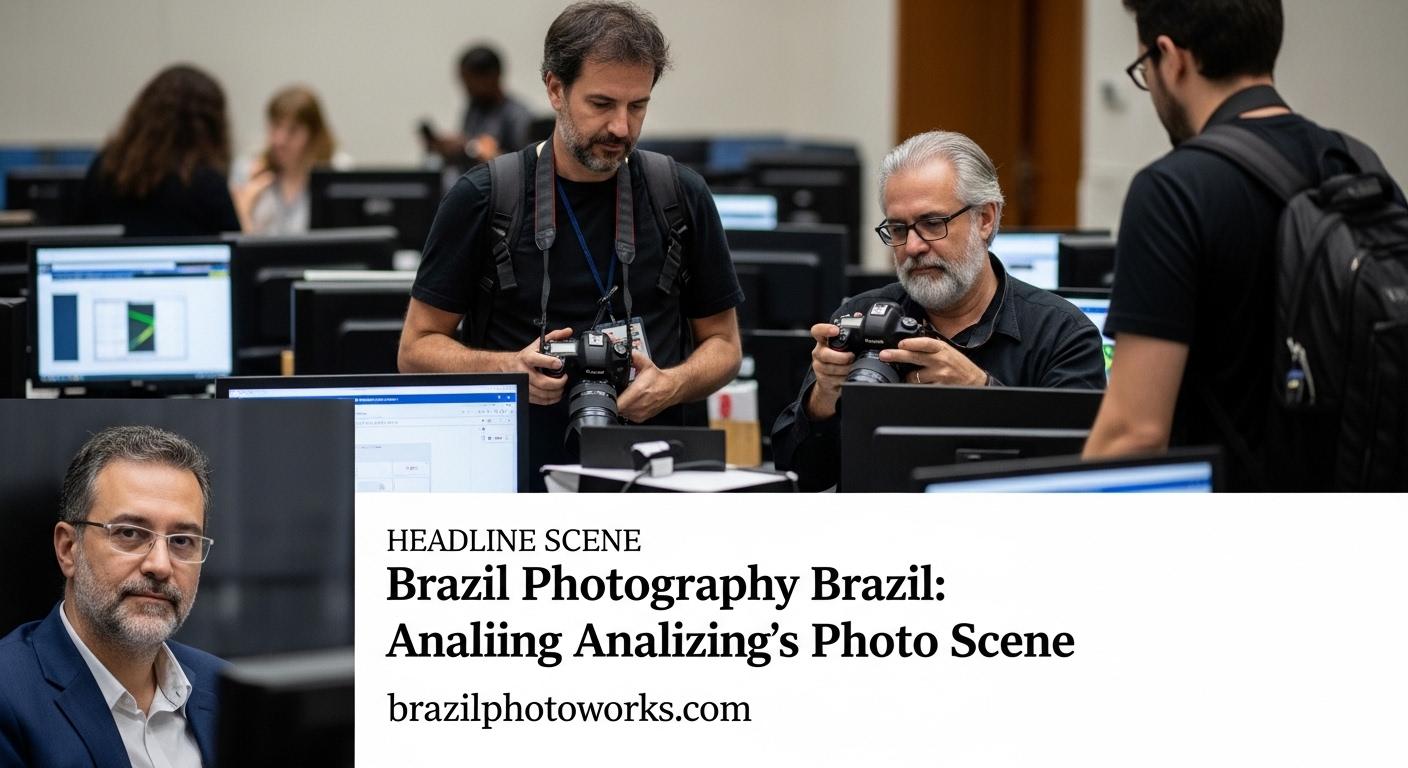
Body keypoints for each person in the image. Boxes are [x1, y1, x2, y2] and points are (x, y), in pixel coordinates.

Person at [399, 1, 744, 490]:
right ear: (555, 89)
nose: (622, 128)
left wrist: (672, 385)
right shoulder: (484, 197)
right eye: (602, 104)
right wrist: (510, 369)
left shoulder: (680, 195)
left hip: (655, 478)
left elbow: (725, 346)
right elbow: (415, 350)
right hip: (514, 478)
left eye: (638, 106)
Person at [1081, 0, 1404, 490]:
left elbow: (1133, 433)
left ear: (1172, 58)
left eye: (1144, 68)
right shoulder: (1360, 166)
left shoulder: (1173, 189)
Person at [772, 131, 1106, 491]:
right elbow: (798, 479)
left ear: (985, 219)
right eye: (898, 228)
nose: (913, 246)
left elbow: (1078, 482)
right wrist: (823, 399)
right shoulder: (861, 315)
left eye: (932, 223)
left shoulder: (1062, 334)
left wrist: (980, 391)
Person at [0, 426, 224, 767]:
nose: (160, 565)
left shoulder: (227, 690)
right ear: (68, 549)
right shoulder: (8, 695)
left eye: (181, 540)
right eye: (130, 533)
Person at [77, 64, 241, 236]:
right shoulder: (206, 183)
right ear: (210, 125)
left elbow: (78, 235)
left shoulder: (105, 168)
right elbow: (237, 251)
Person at [232, 85, 343, 235]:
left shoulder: (336, 171)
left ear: (313, 134)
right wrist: (244, 210)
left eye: (293, 130)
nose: (280, 140)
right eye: (275, 126)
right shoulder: (247, 170)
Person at [422, 44, 535, 167]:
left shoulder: (517, 116)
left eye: (470, 82)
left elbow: (526, 166)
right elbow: (470, 148)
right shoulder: (474, 109)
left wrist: (478, 150)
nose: (466, 89)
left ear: (492, 76)